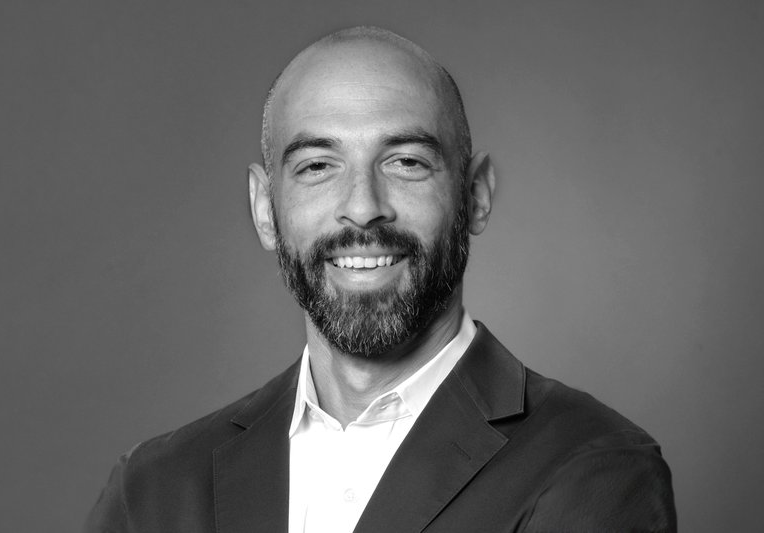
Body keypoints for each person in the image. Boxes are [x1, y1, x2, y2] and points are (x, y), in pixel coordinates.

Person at [85, 26, 676, 532]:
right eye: (318, 166)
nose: (363, 208)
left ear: (474, 195)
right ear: (265, 209)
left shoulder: (592, 468)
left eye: (406, 162)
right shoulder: (152, 491)